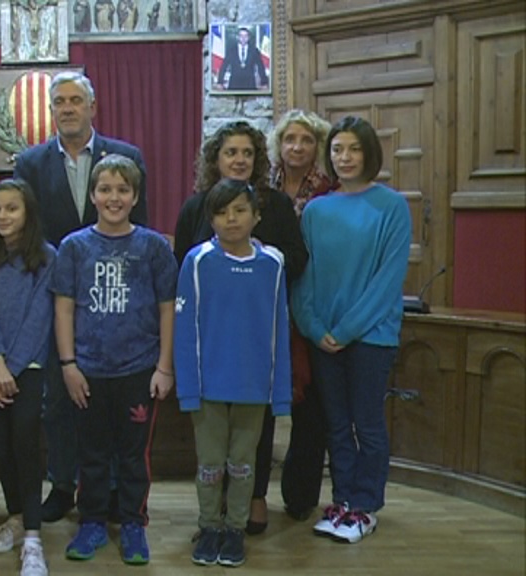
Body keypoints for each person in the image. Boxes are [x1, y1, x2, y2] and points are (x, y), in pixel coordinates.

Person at [13, 70, 148, 523]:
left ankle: (108, 487)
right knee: (59, 396)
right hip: (57, 298)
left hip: (114, 298)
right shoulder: (30, 163)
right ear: (50, 110)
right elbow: (27, 232)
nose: (67, 108)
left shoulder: (125, 156)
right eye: (59, 102)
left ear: (93, 107)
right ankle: (63, 483)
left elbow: (140, 234)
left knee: (107, 399)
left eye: (75, 100)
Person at [173, 120, 306, 535]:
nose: (239, 159)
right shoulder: (197, 209)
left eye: (247, 153)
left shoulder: (276, 211)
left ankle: (249, 503)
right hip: (214, 342)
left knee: (253, 435)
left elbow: (296, 262)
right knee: (212, 448)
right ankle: (211, 521)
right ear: (216, 158)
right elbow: (183, 264)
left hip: (255, 339)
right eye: (231, 152)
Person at [51, 155, 176, 565]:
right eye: (105, 189)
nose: (114, 197)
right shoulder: (74, 247)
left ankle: (133, 524)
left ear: (135, 196)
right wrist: (68, 364)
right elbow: (64, 309)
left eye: (123, 190)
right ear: (93, 195)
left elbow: (165, 309)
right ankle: (92, 522)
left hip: (137, 369)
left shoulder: (153, 247)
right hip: (87, 369)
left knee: (132, 454)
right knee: (91, 452)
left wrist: (164, 366)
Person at [292, 116, 411, 544]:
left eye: (353, 149)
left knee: (368, 423)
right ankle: (343, 500)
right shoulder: (318, 210)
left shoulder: (392, 206)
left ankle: (365, 505)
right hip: (323, 336)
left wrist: (345, 331)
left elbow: (388, 280)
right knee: (336, 425)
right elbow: (304, 276)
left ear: (369, 154)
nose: (344, 157)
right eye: (338, 150)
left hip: (370, 336)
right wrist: (313, 325)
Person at [0, 179, 55, 576]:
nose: (3, 216)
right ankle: (17, 517)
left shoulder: (45, 257)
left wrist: (14, 366)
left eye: (12, 209)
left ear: (28, 212)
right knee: (2, 446)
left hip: (29, 368)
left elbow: (40, 317)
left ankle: (35, 539)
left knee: (25, 442)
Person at [267, 109, 334, 522]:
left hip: (312, 300)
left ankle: (300, 493)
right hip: (266, 302)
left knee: (311, 405)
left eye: (306, 140)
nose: (297, 147)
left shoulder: (329, 191)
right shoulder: (262, 186)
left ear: (317, 146)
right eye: (290, 139)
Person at [216, 27, 268, 91]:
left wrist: (264, 82)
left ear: (248, 37)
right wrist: (220, 82)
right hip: (234, 84)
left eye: (245, 36)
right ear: (238, 37)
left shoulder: (254, 51)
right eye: (241, 36)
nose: (243, 38)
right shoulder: (231, 50)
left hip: (250, 84)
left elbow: (260, 66)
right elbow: (224, 66)